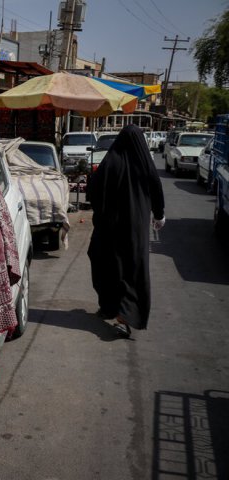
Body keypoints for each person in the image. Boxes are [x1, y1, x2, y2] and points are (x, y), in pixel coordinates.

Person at [87, 124, 165, 338]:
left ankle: (114, 310)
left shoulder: (111, 160)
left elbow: (92, 189)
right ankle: (119, 314)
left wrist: (102, 211)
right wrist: (159, 215)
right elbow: (157, 189)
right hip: (135, 229)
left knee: (106, 262)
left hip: (109, 227)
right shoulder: (145, 164)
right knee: (132, 269)